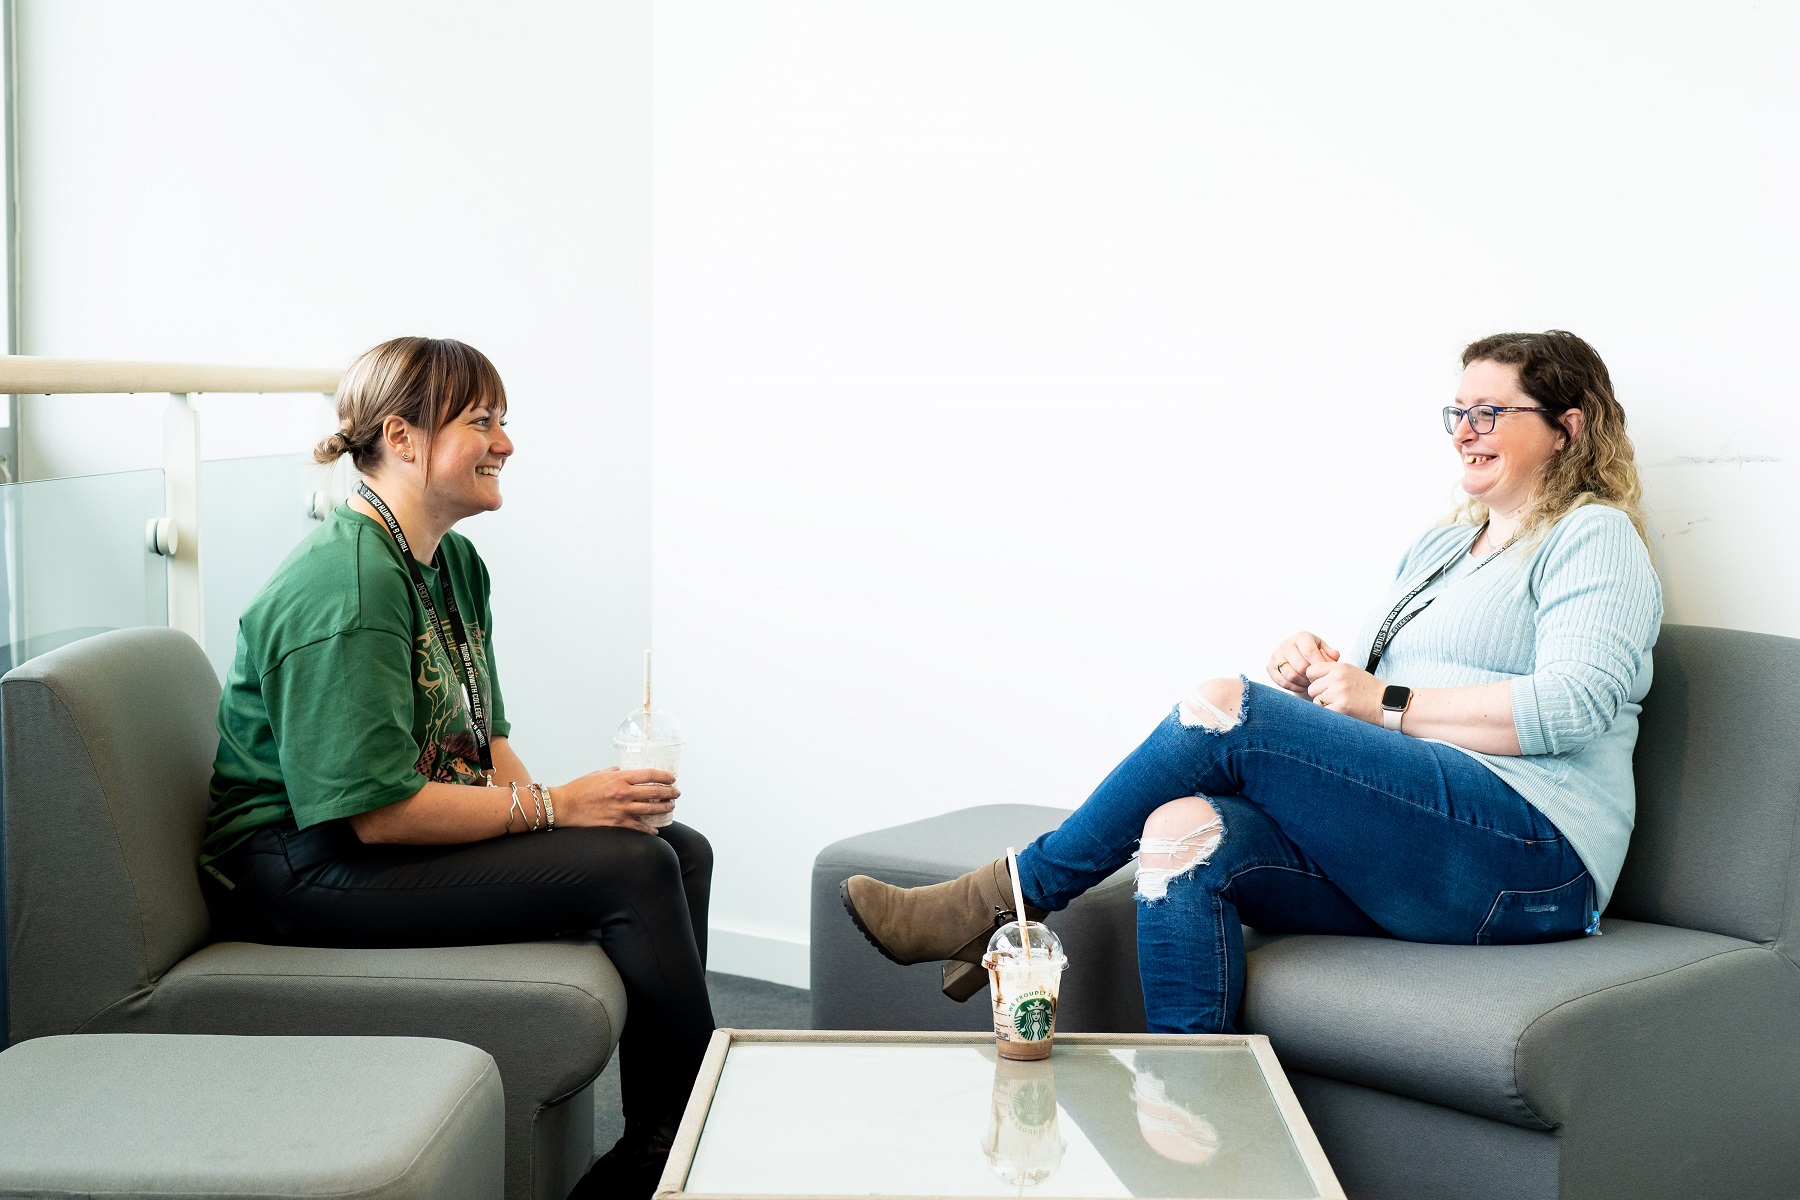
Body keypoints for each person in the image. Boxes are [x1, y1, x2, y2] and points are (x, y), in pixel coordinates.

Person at [842, 330, 1662, 1034]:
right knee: (1179, 831)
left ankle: (1000, 898)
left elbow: (1575, 706)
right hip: (1429, 844)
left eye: (1490, 412)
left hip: (1530, 860)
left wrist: (1380, 703)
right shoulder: (1442, 548)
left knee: (1225, 704)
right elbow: (1389, 715)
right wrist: (1327, 685)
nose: (1464, 432)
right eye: (1458, 413)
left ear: (1567, 426)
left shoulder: (1594, 536)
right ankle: (1195, 1124)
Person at [199, 336, 711, 1198]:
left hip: (373, 840)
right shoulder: (347, 586)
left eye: (503, 420)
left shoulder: (452, 564)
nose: (505, 442)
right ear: (402, 439)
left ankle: (662, 1136)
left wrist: (586, 811)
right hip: (302, 866)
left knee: (672, 847)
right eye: (482, 421)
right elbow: (375, 813)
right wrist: (556, 810)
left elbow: (484, 741)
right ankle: (681, 1153)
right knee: (631, 869)